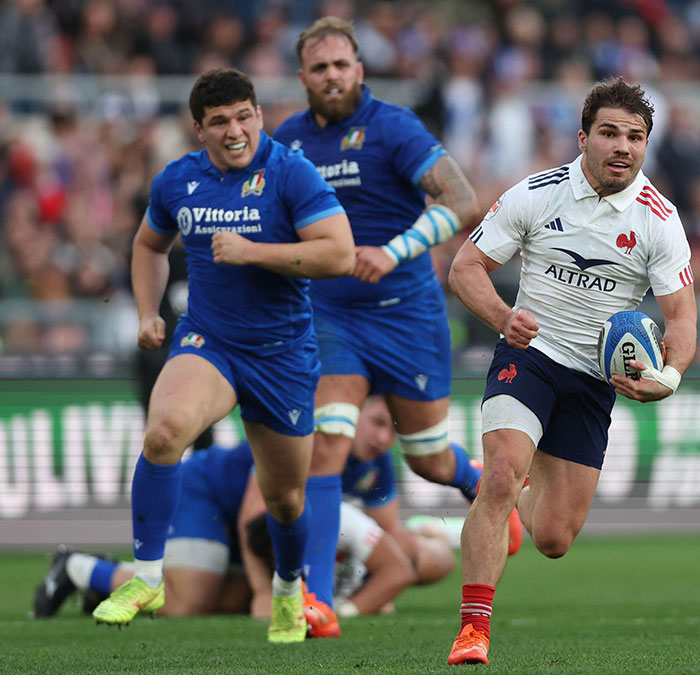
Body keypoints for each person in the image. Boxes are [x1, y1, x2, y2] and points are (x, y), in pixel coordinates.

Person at [91, 68, 355, 645]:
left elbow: (339, 254)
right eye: (219, 122)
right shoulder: (177, 181)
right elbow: (147, 244)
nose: (234, 131)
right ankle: (148, 577)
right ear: (199, 129)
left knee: (284, 499)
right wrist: (146, 311)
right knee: (164, 434)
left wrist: (254, 252)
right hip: (209, 341)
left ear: (258, 115)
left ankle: (289, 590)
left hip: (283, 356)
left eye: (243, 117)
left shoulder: (291, 174)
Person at [271, 17, 519, 620]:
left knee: (427, 458)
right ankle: (319, 605)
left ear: (359, 69)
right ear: (303, 77)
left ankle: (473, 478)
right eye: (320, 67)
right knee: (327, 446)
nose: (332, 76)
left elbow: (462, 201)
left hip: (407, 313)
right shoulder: (286, 142)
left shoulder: (393, 127)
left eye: (341, 65)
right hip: (330, 313)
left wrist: (394, 251)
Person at [444, 77, 697, 665]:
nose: (622, 146)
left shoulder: (660, 220)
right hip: (528, 356)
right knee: (502, 475)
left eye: (635, 137)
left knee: (554, 539)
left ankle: (507, 501)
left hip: (593, 380)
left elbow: (681, 317)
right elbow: (465, 268)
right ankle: (474, 629)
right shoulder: (535, 194)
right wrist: (504, 318)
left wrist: (670, 377)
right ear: (583, 138)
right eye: (610, 132)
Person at [35, 438, 457, 624]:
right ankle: (80, 568)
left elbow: (390, 546)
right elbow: (253, 520)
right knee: (188, 603)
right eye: (378, 422)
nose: (384, 437)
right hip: (211, 496)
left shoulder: (376, 456)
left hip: (267, 537)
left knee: (425, 558)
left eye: (390, 428)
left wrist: (371, 593)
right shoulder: (307, 439)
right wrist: (262, 594)